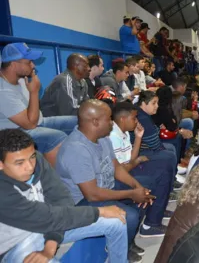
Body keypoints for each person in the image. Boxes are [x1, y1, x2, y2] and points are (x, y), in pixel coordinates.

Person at [0, 129, 128, 263]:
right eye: (19, 163)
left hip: (50, 225)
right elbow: (44, 216)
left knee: (117, 220)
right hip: (16, 243)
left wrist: (51, 244)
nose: (30, 167)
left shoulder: (37, 160)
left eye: (31, 157)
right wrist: (99, 211)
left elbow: (61, 198)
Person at [55, 100, 161, 262]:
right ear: (95, 122)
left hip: (104, 186)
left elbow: (116, 168)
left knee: (146, 188)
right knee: (130, 216)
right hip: (82, 202)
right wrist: (132, 193)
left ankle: (127, 240)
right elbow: (92, 195)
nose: (112, 122)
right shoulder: (76, 149)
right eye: (109, 118)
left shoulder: (102, 137)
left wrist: (136, 187)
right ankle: (118, 250)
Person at [0, 43, 77, 166]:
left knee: (80, 121)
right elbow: (30, 125)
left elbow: (33, 117)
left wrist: (33, 90)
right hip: (13, 132)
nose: (33, 65)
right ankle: (57, 181)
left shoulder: (20, 78)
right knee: (56, 137)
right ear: (14, 64)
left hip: (36, 121)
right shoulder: (3, 91)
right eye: (29, 62)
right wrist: (34, 92)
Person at [133, 91, 181, 191]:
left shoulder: (142, 113)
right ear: (143, 103)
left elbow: (154, 132)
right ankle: (168, 187)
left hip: (144, 146)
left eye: (157, 103)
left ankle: (171, 180)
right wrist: (162, 149)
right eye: (153, 103)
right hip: (140, 152)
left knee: (171, 148)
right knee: (170, 155)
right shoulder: (143, 118)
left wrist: (157, 130)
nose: (157, 106)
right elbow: (155, 144)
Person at [154, 86, 193, 162]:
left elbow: (174, 121)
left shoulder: (165, 106)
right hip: (161, 135)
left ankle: (182, 155)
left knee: (186, 127)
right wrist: (179, 129)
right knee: (179, 136)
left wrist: (174, 123)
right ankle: (178, 160)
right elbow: (172, 126)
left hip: (166, 131)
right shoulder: (162, 108)